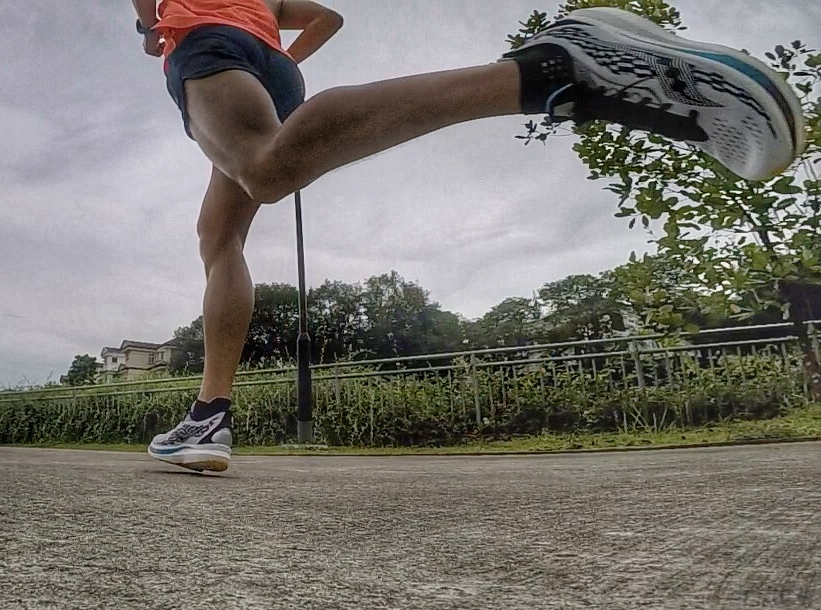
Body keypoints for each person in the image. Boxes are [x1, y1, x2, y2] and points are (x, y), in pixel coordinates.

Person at [134, 0, 805, 472]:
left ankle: (548, 70)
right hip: (273, 68)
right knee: (219, 232)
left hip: (208, 46)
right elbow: (327, 19)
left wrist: (150, 24)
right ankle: (209, 413)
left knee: (263, 169)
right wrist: (280, 54)